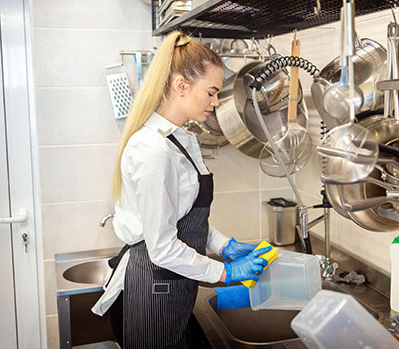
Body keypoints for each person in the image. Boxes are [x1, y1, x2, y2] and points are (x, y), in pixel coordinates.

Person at [92, 31, 271, 348]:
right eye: (212, 93)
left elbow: (184, 213)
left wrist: (224, 244)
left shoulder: (180, 139)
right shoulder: (153, 150)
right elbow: (161, 247)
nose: (216, 103)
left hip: (174, 285)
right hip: (154, 290)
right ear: (181, 86)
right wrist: (224, 273)